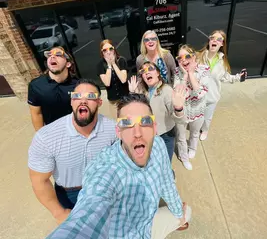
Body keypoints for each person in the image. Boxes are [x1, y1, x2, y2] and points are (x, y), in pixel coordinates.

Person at [47, 94, 191, 239]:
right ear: (118, 132)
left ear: (154, 128)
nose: (137, 133)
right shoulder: (107, 170)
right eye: (127, 123)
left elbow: (166, 182)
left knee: (187, 212)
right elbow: (89, 212)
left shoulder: (158, 145)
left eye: (145, 121)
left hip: (148, 226)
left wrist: (180, 214)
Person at [28, 79, 117, 224]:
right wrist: (59, 213)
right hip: (70, 194)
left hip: (104, 189)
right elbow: (39, 180)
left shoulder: (112, 129)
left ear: (100, 102)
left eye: (90, 97)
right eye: (77, 96)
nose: (83, 101)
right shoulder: (47, 136)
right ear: (71, 102)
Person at [128, 62, 185, 161]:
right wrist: (132, 94)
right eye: (143, 71)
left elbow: (179, 119)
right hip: (150, 134)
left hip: (165, 135)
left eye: (150, 69)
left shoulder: (166, 91)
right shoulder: (143, 92)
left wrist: (178, 108)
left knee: (166, 161)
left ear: (158, 73)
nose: (147, 73)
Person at [196, 30, 247, 141]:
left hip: (212, 97)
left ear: (222, 44)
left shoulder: (222, 62)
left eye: (219, 39)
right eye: (212, 38)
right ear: (209, 41)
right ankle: (196, 128)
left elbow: (226, 77)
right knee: (197, 116)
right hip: (198, 96)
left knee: (207, 118)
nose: (214, 40)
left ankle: (205, 130)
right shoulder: (198, 57)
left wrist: (239, 77)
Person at [174, 45, 210, 170]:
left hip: (197, 111)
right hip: (182, 112)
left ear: (193, 56)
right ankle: (184, 157)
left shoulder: (204, 70)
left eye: (187, 56)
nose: (183, 60)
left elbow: (199, 93)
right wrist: (184, 76)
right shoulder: (177, 72)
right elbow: (178, 93)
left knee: (194, 133)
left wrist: (190, 73)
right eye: (180, 57)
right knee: (181, 136)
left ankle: (193, 148)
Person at [28, 47, 78, 131]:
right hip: (53, 133)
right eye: (49, 55)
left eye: (58, 55)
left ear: (68, 64)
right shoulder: (36, 85)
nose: (52, 57)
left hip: (77, 130)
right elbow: (36, 113)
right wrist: (41, 136)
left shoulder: (78, 85)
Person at [97, 39, 129, 119]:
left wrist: (114, 63)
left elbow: (123, 79)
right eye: (105, 50)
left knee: (129, 120)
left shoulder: (121, 60)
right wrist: (109, 65)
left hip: (125, 98)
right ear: (102, 52)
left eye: (110, 49)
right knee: (116, 122)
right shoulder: (100, 65)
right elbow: (107, 83)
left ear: (114, 49)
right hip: (113, 101)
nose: (108, 52)